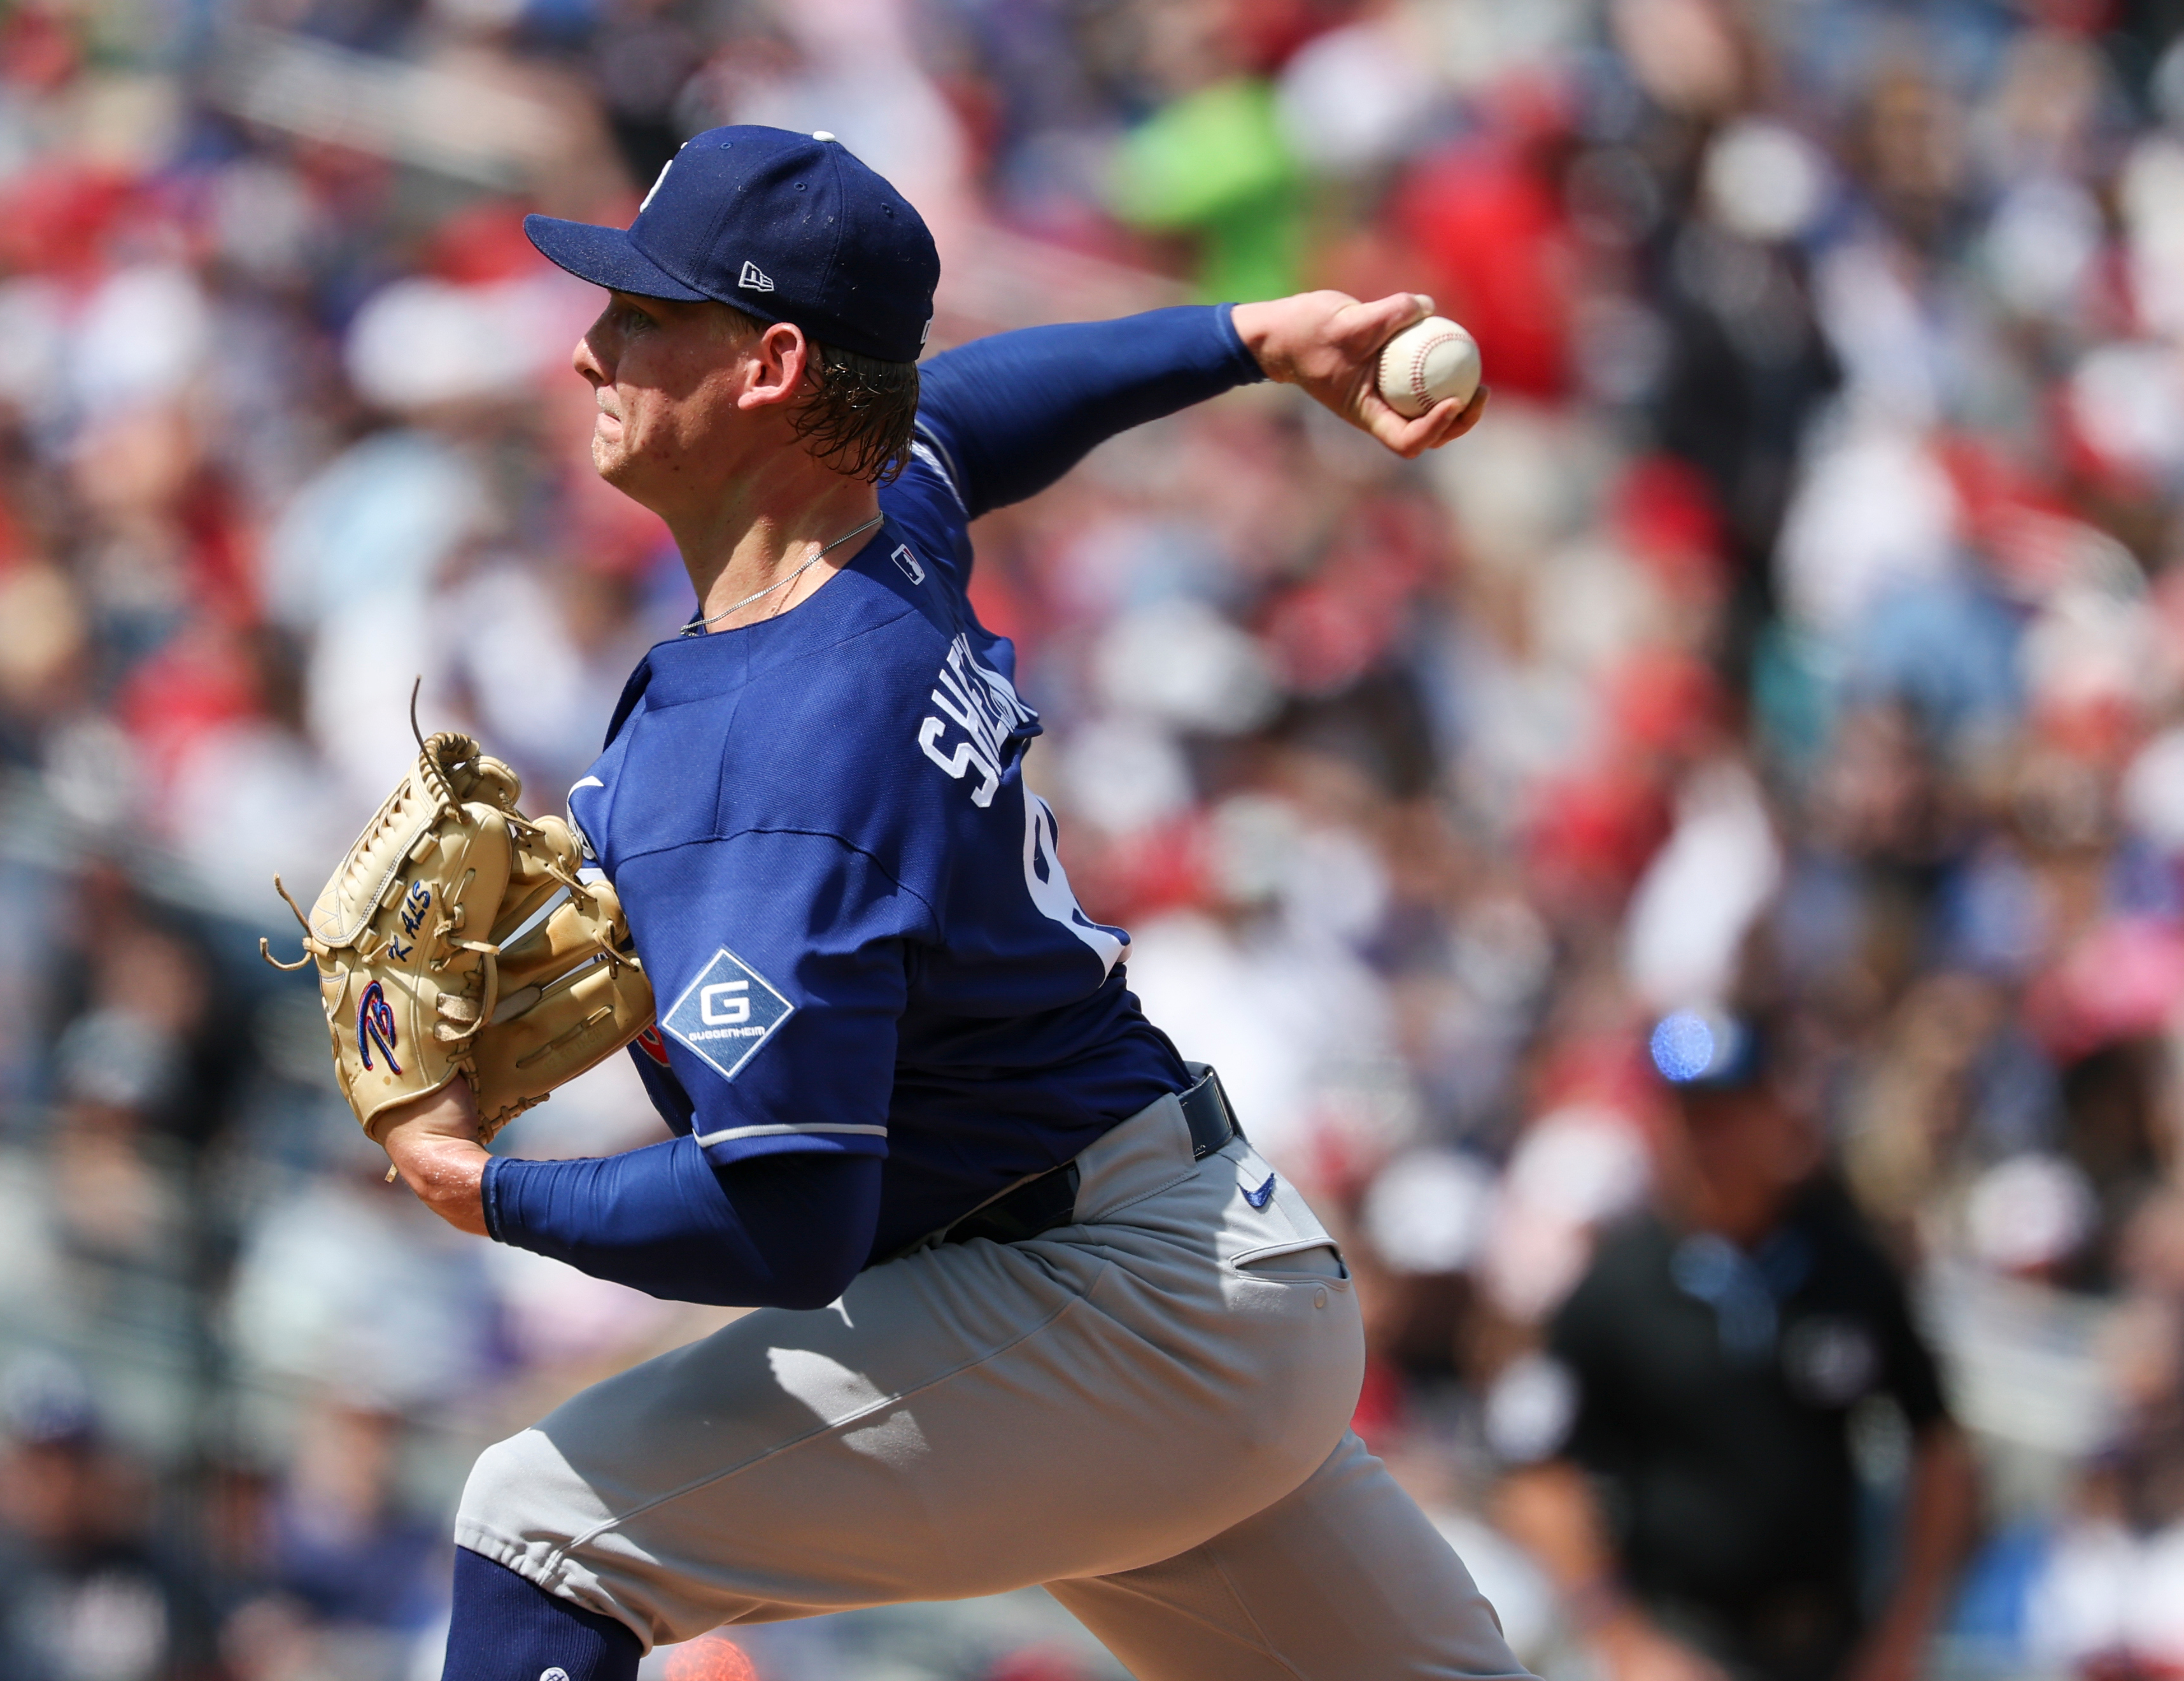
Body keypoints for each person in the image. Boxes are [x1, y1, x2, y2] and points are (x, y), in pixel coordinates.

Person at [369, 125, 1506, 1681]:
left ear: (769, 366)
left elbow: (788, 1221)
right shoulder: (876, 537)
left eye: (642, 313)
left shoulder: (774, 754)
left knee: (534, 1525)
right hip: (1190, 1282)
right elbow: (971, 407)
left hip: (1103, 1316)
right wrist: (1243, 338)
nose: (587, 349)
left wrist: (473, 1187)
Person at [1500, 1012, 1978, 1681]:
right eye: (1691, 1117)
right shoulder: (1618, 1288)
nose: (1709, 1141)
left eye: (1729, 1115)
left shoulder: (1847, 1269)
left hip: (1831, 1642)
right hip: (1683, 1640)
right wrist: (1622, 1639)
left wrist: (1909, 1624)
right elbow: (1537, 1473)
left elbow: (1940, 1447)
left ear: (1773, 1116)